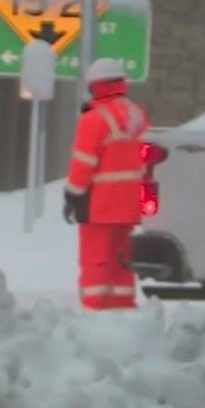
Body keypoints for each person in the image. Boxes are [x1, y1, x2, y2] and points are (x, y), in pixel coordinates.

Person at [62, 58, 150, 311]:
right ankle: (123, 307)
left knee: (96, 261)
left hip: (99, 205)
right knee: (121, 261)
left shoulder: (94, 119)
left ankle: (94, 310)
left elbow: (83, 165)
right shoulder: (137, 114)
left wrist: (72, 196)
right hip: (131, 205)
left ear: (95, 86)